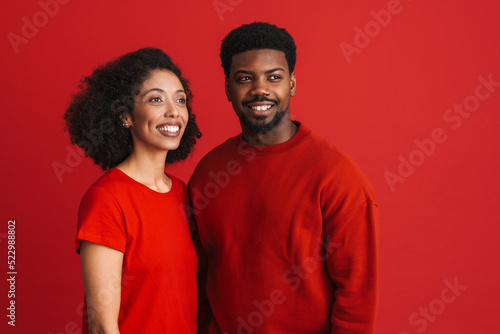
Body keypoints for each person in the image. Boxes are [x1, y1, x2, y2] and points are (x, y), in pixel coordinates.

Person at [188, 22, 379, 333]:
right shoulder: (209, 173)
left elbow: (357, 293)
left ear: (291, 83)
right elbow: (198, 276)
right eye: (245, 78)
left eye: (273, 77)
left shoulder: (337, 175)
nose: (260, 89)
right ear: (227, 87)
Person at [64, 47, 202, 334]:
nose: (173, 112)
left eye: (180, 100)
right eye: (156, 99)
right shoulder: (107, 198)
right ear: (126, 115)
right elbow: (102, 326)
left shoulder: (182, 193)